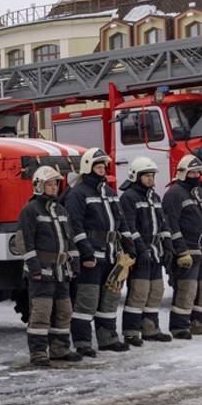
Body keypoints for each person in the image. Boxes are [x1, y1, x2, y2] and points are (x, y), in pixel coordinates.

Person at [63, 148, 132, 355]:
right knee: (87, 301)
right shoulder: (78, 193)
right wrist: (86, 253)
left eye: (104, 166)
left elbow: (121, 221)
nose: (102, 170)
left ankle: (108, 339)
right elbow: (75, 225)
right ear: (88, 168)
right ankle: (83, 343)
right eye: (98, 166)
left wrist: (130, 246)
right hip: (92, 257)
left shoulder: (109, 193)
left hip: (111, 256)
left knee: (109, 300)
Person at [17, 165, 82, 366]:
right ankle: (38, 353)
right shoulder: (30, 210)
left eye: (55, 184)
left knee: (64, 311)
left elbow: (69, 239)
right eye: (50, 184)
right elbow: (24, 241)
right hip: (41, 272)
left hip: (61, 271)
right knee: (41, 313)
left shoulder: (61, 210)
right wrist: (33, 267)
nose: (54, 188)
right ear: (38, 186)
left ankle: (60, 349)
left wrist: (75, 261)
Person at [162, 155, 202, 339]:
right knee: (186, 290)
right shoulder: (174, 194)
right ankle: (180, 326)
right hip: (188, 252)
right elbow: (171, 225)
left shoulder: (200, 193)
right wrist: (181, 251)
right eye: (192, 172)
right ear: (182, 173)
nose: (196, 175)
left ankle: (200, 323)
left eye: (198, 172)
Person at [118, 157, 173, 345]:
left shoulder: (154, 197)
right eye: (146, 176)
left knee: (156, 291)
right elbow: (130, 227)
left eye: (152, 176)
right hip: (142, 254)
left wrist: (168, 247)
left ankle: (150, 329)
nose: (150, 179)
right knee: (139, 293)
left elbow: (163, 224)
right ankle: (131, 332)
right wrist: (140, 251)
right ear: (136, 176)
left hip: (156, 253)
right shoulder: (129, 197)